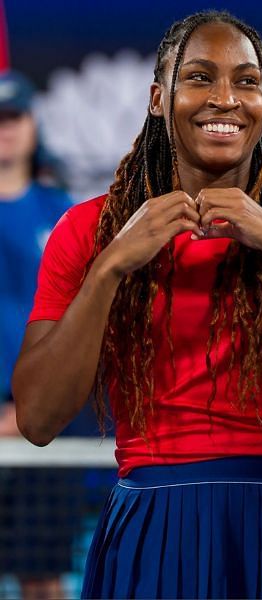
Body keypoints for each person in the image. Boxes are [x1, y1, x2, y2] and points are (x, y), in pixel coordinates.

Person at [10, 11, 262, 599]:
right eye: (199, 78)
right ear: (159, 98)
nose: (225, 99)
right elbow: (36, 420)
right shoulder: (87, 231)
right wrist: (111, 265)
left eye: (245, 81)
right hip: (150, 527)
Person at [0, 69, 80, 600]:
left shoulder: (64, 215)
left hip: (41, 425)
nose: (5, 129)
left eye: (14, 117)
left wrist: (25, 413)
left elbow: (81, 324)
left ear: (32, 125)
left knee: (43, 579)